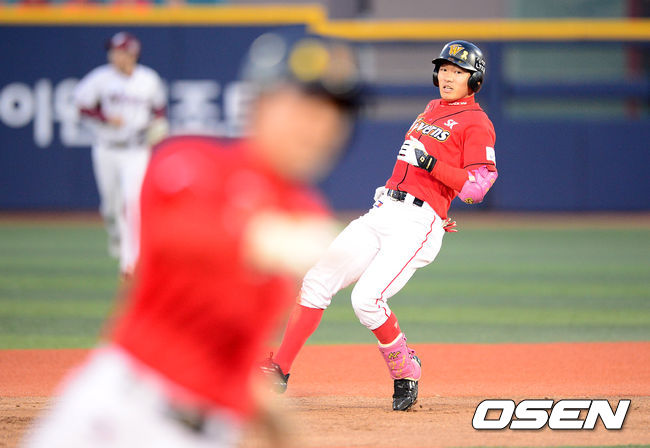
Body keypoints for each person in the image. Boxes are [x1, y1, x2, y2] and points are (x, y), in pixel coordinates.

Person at [22, 33, 361, 448]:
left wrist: (256, 403)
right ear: (260, 102)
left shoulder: (302, 209)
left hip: (213, 432)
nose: (322, 128)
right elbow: (176, 238)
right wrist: (258, 239)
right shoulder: (191, 161)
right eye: (307, 106)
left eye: (337, 115)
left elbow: (234, 335)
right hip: (118, 415)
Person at [261, 40, 498, 411]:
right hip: (384, 210)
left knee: (366, 300)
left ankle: (406, 370)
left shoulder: (477, 123)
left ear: (475, 80)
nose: (448, 77)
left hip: (416, 224)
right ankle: (279, 369)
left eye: (458, 71)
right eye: (444, 69)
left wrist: (431, 172)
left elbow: (476, 189)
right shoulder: (431, 109)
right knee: (317, 281)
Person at [74, 31, 168, 277]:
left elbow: (159, 109)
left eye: (120, 51)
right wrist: (105, 117)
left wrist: (157, 126)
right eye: (113, 51)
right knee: (111, 208)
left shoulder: (148, 79)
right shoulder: (101, 78)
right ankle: (116, 236)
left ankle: (129, 262)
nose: (114, 56)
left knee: (132, 204)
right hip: (107, 147)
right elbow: (81, 105)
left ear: (132, 54)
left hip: (136, 149)